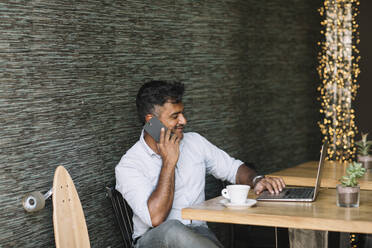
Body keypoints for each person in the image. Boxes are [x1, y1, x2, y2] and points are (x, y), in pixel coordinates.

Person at [115, 80, 285, 248]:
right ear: (151, 121)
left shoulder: (194, 142)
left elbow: (233, 168)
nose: (184, 121)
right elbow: (155, 218)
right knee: (173, 229)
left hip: (198, 233)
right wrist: (169, 162)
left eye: (182, 113)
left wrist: (257, 180)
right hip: (154, 240)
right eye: (175, 116)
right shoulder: (129, 165)